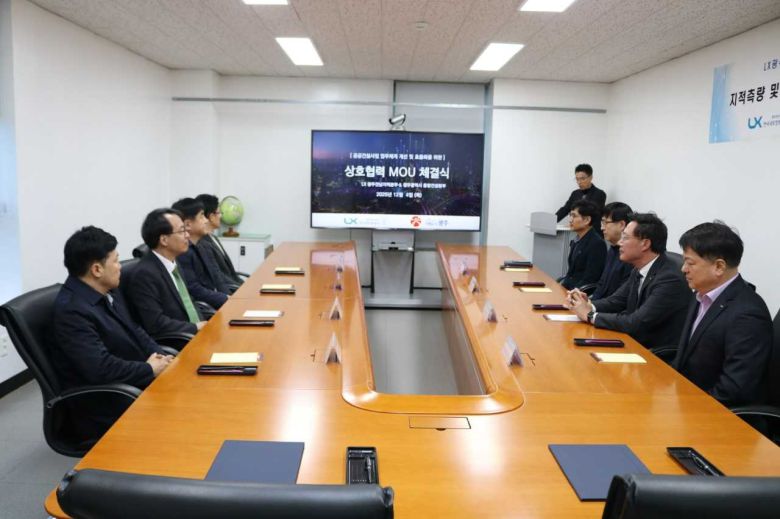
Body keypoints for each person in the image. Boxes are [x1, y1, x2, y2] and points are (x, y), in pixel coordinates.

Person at [53, 226, 173, 437]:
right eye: (116, 261)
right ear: (97, 269)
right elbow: (100, 368)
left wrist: (164, 358)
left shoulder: (108, 291)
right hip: (110, 401)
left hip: (135, 381)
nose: (120, 267)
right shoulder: (71, 311)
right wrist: (148, 369)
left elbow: (135, 330)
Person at [673, 222, 772, 407]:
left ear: (719, 267)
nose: (683, 268)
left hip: (712, 412)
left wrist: (689, 408)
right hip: (684, 396)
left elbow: (734, 390)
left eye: (690, 263)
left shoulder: (748, 315)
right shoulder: (701, 294)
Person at [566, 213, 691, 349]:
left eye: (625, 238)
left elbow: (636, 322)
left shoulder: (669, 278)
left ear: (645, 244)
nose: (620, 242)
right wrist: (587, 304)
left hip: (651, 351)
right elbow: (616, 301)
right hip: (632, 341)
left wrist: (590, 315)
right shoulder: (639, 268)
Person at [125, 208, 207, 337]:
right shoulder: (145, 274)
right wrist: (195, 327)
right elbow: (156, 323)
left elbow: (188, 303)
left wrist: (206, 324)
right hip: (180, 340)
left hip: (198, 333)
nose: (187, 235)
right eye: (182, 231)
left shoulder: (174, 262)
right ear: (164, 240)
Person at [171, 198, 230, 308]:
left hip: (219, 302)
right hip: (206, 309)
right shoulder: (182, 252)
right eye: (202, 216)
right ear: (188, 224)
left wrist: (230, 298)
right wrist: (226, 299)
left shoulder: (203, 245)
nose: (206, 221)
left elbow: (217, 276)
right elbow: (194, 289)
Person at [195, 193, 243, 286]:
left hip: (235, 284)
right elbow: (219, 276)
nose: (221, 216)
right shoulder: (203, 243)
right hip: (228, 289)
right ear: (211, 217)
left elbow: (230, 273)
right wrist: (241, 288)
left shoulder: (214, 238)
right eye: (219, 212)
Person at [559, 199, 606, 290]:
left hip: (580, 293)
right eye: (570, 215)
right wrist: (561, 288)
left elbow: (591, 279)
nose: (570, 220)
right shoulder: (576, 240)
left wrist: (572, 293)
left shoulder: (597, 244)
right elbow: (570, 273)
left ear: (587, 220)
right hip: (569, 289)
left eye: (574, 216)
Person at [591, 202, 634, 299]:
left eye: (605, 223)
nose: (602, 228)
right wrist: (589, 302)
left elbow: (621, 297)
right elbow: (602, 283)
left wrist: (593, 305)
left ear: (621, 225)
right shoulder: (612, 249)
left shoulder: (630, 255)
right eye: (601, 223)